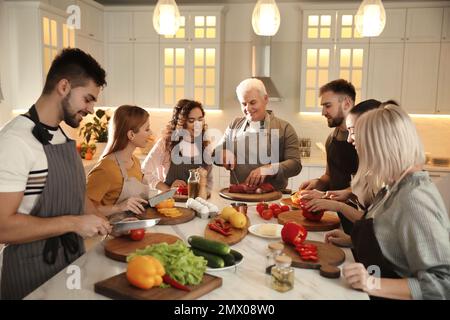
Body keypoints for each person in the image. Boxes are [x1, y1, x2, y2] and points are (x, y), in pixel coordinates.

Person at [0, 48, 111, 300]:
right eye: (88, 99)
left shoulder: (62, 136)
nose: (92, 109)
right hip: (29, 273)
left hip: (70, 262)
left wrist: (107, 223)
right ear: (64, 86)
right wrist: (74, 223)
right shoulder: (14, 141)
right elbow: (2, 226)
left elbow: (76, 196)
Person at [326, 104, 450, 300]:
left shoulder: (415, 199)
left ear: (382, 147)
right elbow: (393, 238)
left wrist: (371, 282)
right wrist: (352, 240)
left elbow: (443, 284)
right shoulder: (393, 186)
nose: (355, 145)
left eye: (362, 143)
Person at [304, 99, 383, 223]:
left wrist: (338, 205)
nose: (349, 140)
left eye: (353, 131)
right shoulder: (331, 139)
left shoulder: (389, 175)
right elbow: (373, 219)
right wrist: (345, 195)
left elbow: (378, 224)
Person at [214, 78, 301, 190]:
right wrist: (222, 153)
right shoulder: (234, 125)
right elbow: (214, 155)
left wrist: (268, 169)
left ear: (265, 99)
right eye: (243, 104)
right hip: (239, 196)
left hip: (273, 199)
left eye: (253, 102)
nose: (248, 108)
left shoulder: (284, 128)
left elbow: (295, 165)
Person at [299, 79, 358, 234]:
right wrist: (317, 184)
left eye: (328, 105)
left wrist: (329, 197)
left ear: (346, 103)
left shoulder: (363, 140)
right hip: (338, 219)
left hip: (360, 219)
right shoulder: (331, 139)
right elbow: (329, 176)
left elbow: (369, 186)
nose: (323, 112)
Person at [86, 105, 152, 221]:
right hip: (108, 234)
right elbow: (84, 209)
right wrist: (118, 207)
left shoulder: (135, 161)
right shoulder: (106, 168)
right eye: (147, 129)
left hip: (133, 228)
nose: (150, 133)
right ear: (131, 134)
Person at [142, 99, 213, 192]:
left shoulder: (204, 144)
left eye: (200, 119)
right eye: (191, 120)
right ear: (181, 122)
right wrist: (168, 189)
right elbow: (143, 172)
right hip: (170, 203)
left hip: (198, 203)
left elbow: (209, 183)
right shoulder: (166, 144)